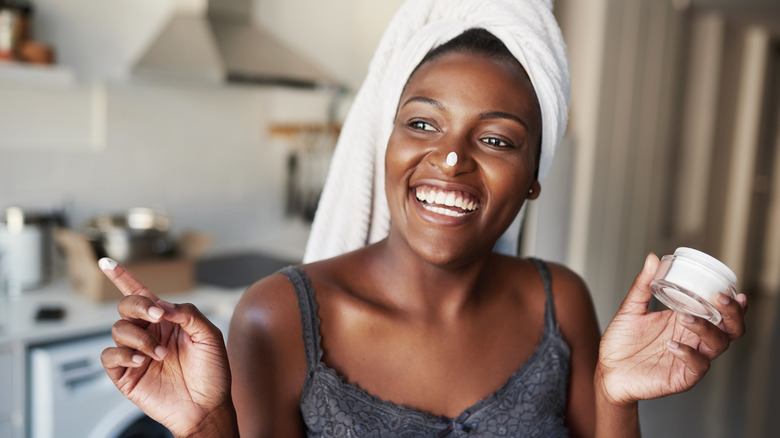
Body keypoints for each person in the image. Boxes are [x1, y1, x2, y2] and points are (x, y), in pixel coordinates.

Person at [98, 1, 747, 437]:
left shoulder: (561, 302)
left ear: (534, 176)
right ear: (387, 141)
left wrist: (617, 395)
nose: (453, 157)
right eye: (422, 124)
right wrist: (207, 421)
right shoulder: (281, 317)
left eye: (497, 139)